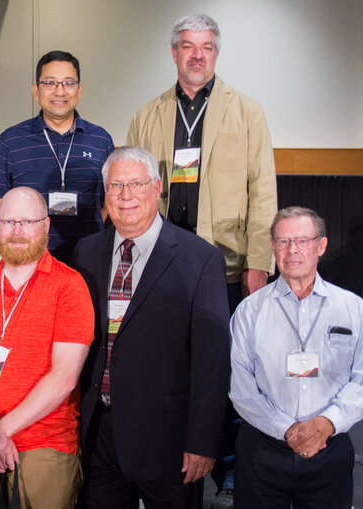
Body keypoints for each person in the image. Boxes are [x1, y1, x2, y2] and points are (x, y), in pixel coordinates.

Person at [126, 15, 278, 502]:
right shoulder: (148, 114)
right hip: (162, 262)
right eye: (188, 47)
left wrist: (260, 261)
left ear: (217, 54)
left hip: (225, 261)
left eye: (207, 47)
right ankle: (170, 452)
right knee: (171, 364)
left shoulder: (247, 111)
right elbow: (129, 185)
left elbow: (265, 193)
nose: (197, 55)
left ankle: (228, 464)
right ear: (173, 54)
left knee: (225, 366)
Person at [72, 147, 230, 509]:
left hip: (169, 441)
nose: (125, 196)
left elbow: (213, 362)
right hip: (99, 435)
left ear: (157, 187)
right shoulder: (87, 251)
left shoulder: (200, 259)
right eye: (115, 186)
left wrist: (203, 442)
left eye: (136, 184)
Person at [0, 187, 94, 508]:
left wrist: (1, 432)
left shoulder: (69, 286)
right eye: (8, 221)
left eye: (27, 222)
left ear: (45, 225)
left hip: (45, 442)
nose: (16, 231)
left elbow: (64, 377)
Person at [229, 206, 363, 509]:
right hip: (263, 451)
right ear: (273, 246)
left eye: (302, 241)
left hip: (329, 450)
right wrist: (287, 429)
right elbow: (241, 389)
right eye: (283, 241)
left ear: (321, 245)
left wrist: (327, 424)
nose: (292, 251)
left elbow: (362, 379)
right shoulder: (250, 311)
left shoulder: (353, 309)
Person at [0, 50, 115, 265]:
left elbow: (109, 200)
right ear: (36, 91)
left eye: (68, 83)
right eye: (49, 83)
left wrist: (86, 234)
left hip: (89, 260)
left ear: (79, 90)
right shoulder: (11, 140)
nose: (59, 91)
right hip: (30, 262)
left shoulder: (100, 140)